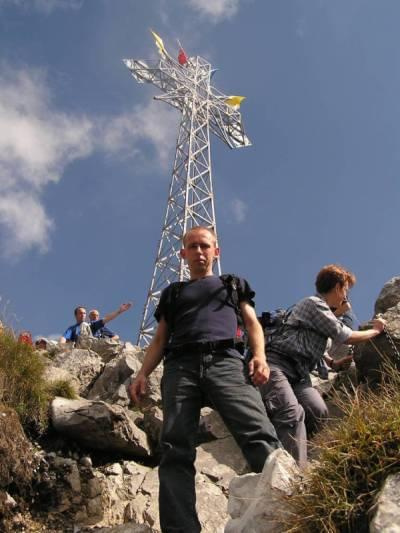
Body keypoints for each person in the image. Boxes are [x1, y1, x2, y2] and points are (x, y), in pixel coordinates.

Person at [129, 226, 280, 533]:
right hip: (180, 367)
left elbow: (252, 323)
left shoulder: (232, 284)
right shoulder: (173, 293)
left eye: (205, 246)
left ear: (216, 251)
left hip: (227, 362)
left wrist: (259, 356)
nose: (199, 252)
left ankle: (287, 508)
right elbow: (159, 339)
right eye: (192, 247)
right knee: (174, 449)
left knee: (258, 433)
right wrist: (142, 373)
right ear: (183, 254)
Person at [259, 264, 386, 469]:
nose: (346, 296)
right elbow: (347, 337)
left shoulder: (324, 316)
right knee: (292, 413)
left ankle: (289, 449)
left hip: (300, 374)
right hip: (277, 364)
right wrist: (376, 330)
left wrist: (334, 363)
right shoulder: (314, 304)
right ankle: (294, 475)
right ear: (338, 288)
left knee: (318, 411)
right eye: (346, 290)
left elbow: (318, 348)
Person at [59, 303, 132, 344]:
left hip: (92, 344)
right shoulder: (72, 328)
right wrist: (60, 346)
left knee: (84, 325)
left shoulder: (91, 324)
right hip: (78, 346)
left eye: (84, 313)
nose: (83, 315)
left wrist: (119, 311)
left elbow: (105, 319)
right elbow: (64, 337)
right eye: (80, 313)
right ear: (76, 315)